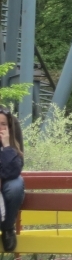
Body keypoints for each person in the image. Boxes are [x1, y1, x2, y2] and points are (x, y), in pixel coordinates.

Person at [0, 107, 25, 252]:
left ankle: (8, 228)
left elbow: (15, 170)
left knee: (16, 185)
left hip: (6, 181)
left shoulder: (13, 124)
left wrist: (6, 146)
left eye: (3, 124)